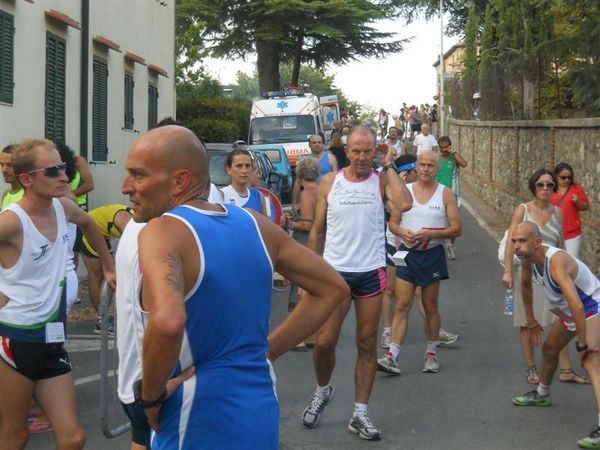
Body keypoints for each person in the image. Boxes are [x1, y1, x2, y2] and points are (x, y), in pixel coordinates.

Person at [121, 125, 349, 449]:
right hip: (258, 406)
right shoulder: (253, 223)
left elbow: (168, 322)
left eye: (138, 176)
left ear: (179, 181)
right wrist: (268, 351)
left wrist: (149, 399)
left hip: (195, 413)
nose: (125, 186)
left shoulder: (161, 232)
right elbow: (333, 288)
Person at [0, 138, 115, 450]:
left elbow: (91, 225)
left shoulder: (64, 208)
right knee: (15, 436)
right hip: (16, 339)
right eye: (52, 171)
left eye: (63, 168)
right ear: (27, 179)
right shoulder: (11, 221)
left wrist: (108, 267)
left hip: (52, 337)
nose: (65, 177)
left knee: (73, 438)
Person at [301, 125, 412, 441]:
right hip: (333, 275)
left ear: (374, 151)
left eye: (368, 151)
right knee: (324, 343)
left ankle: (360, 414)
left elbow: (403, 205)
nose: (362, 157)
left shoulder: (381, 183)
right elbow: (316, 231)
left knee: (366, 343)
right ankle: (323, 390)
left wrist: (388, 164)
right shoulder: (329, 182)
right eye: (356, 151)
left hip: (370, 272)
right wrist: (307, 276)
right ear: (346, 151)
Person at [510, 221, 600, 449]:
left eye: (521, 241)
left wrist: (581, 342)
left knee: (590, 360)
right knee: (550, 349)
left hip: (591, 307)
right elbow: (525, 287)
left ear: (538, 242)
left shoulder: (556, 262)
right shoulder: (528, 259)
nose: (516, 247)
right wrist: (531, 321)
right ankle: (543, 393)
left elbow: (578, 305)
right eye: (514, 242)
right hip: (571, 311)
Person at [377, 151, 461, 375]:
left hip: (432, 254)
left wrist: (430, 234)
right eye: (422, 165)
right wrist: (402, 232)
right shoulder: (405, 192)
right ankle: (392, 356)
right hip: (407, 254)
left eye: (430, 166)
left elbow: (456, 229)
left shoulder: (445, 194)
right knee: (402, 304)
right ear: (417, 166)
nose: (425, 169)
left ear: (436, 169)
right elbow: (393, 224)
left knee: (430, 306)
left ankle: (431, 354)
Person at [503, 168, 587, 385]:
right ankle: (532, 369)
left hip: (552, 274)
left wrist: (567, 271)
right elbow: (513, 240)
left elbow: (560, 244)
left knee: (561, 320)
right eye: (541, 184)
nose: (545, 189)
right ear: (533, 186)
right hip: (527, 272)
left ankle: (566, 370)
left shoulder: (558, 212)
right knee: (526, 321)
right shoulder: (523, 210)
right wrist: (508, 272)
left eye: (550, 185)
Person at [281, 157, 321, 350]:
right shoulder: (321, 190)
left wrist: (289, 223)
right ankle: (313, 335)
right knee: (314, 287)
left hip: (305, 244)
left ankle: (299, 337)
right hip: (321, 242)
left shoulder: (306, 194)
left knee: (301, 288)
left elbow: (307, 224)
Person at [76, 204, 133, 334]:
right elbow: (130, 248)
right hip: (89, 230)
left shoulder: (142, 220)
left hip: (102, 232)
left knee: (109, 274)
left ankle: (104, 314)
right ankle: (101, 319)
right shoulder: (129, 222)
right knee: (97, 274)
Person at [436, 136, 467, 260]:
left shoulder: (454, 158)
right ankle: (439, 247)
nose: (444, 150)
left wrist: (453, 152)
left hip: (454, 196)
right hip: (439, 195)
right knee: (439, 222)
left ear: (450, 146)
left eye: (446, 147)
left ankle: (451, 245)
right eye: (441, 147)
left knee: (454, 224)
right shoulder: (436, 160)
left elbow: (464, 164)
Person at [551, 162, 589, 259]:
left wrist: (577, 202)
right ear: (556, 176)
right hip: (554, 232)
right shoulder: (550, 189)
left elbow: (585, 207)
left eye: (569, 177)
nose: (567, 180)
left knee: (572, 261)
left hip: (572, 234)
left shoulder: (576, 188)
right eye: (563, 177)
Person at [291, 134, 338, 212]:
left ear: (323, 144)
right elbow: (297, 182)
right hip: (309, 199)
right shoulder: (304, 161)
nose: (317, 144)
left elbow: (337, 181)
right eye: (314, 142)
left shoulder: (331, 158)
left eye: (319, 142)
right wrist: (294, 204)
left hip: (328, 200)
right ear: (309, 144)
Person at [220, 149, 267, 215]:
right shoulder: (222, 195)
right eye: (239, 166)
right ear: (228, 169)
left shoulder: (258, 196)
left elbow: (264, 224)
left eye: (248, 166)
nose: (244, 171)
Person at [1, 144, 24, 210]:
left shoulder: (29, 195)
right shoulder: (5, 194)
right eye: (2, 165)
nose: (4, 170)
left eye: (9, 165)